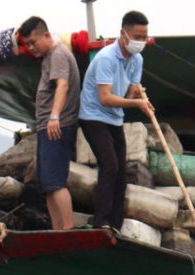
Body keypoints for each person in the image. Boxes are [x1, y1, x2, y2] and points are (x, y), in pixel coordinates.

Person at [78, 11, 155, 230]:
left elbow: (128, 95)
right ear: (123, 34)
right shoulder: (106, 58)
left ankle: (116, 225)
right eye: (137, 37)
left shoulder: (137, 59)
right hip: (93, 116)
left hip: (114, 118)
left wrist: (137, 95)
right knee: (110, 165)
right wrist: (137, 105)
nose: (141, 42)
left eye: (144, 37)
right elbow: (105, 98)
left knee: (122, 170)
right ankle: (101, 222)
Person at [18, 16, 81, 230]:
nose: (31, 47)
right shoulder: (48, 57)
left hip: (57, 126)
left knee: (56, 182)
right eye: (27, 44)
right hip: (47, 126)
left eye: (33, 42)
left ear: (46, 35)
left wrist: (54, 116)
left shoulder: (59, 54)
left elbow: (62, 86)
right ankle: (57, 230)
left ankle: (67, 231)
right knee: (48, 185)